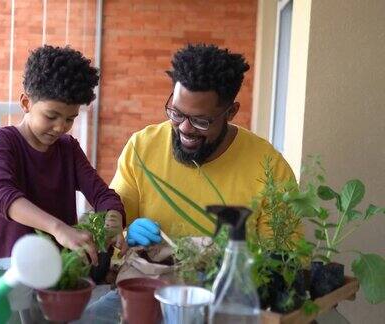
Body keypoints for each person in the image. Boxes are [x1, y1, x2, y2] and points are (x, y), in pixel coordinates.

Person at [84, 43, 295, 320]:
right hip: (149, 289)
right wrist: (124, 230)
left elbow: (285, 260)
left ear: (231, 112)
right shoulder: (143, 146)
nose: (184, 128)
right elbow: (111, 224)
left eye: (200, 121)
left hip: (221, 303)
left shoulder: (268, 166)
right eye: (177, 113)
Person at [0, 45, 125, 266]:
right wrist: (58, 228)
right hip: (7, 267)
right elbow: (0, 193)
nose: (60, 128)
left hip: (59, 270)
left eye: (70, 119)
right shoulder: (4, 140)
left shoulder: (68, 148)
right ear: (26, 103)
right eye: (51, 116)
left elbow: (104, 196)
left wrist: (113, 221)